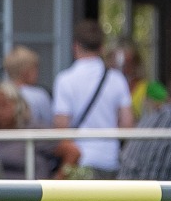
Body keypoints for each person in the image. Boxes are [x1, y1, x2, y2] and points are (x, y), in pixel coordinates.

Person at [53, 19, 134, 179]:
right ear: (102, 48)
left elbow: (61, 127)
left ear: (75, 46)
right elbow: (127, 124)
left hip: (80, 160)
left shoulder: (65, 80)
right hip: (110, 160)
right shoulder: (117, 79)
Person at [0, 79, 31, 179]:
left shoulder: (34, 130)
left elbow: (70, 151)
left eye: (5, 105)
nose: (0, 111)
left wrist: (55, 184)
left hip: (28, 191)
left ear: (18, 105)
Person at [113, 38, 165, 120]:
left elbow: (170, 111)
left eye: (128, 63)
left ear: (137, 63)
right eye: (119, 64)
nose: (124, 69)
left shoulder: (151, 88)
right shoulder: (107, 88)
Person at [4, 45, 55, 129]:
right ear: (27, 71)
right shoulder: (39, 95)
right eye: (35, 68)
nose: (38, 73)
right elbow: (50, 124)